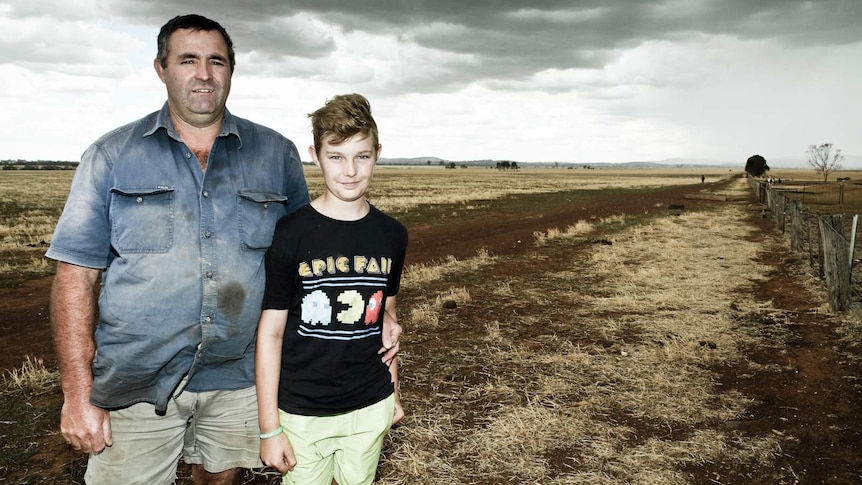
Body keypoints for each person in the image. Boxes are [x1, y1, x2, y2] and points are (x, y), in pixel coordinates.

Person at [45, 15, 399, 485]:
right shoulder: (111, 156)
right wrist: (76, 392)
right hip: (137, 379)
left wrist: (383, 311)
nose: (204, 73)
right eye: (187, 59)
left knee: (221, 480)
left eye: (217, 61)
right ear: (161, 68)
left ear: (231, 70)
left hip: (237, 377)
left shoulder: (275, 155)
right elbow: (75, 276)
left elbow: (318, 250)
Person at [256, 93, 407, 485]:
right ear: (315, 155)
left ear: (378, 154)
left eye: (362, 156)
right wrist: (270, 428)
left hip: (370, 405)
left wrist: (394, 393)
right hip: (303, 413)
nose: (351, 171)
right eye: (337, 156)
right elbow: (271, 332)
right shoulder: (291, 233)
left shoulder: (392, 234)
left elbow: (386, 319)